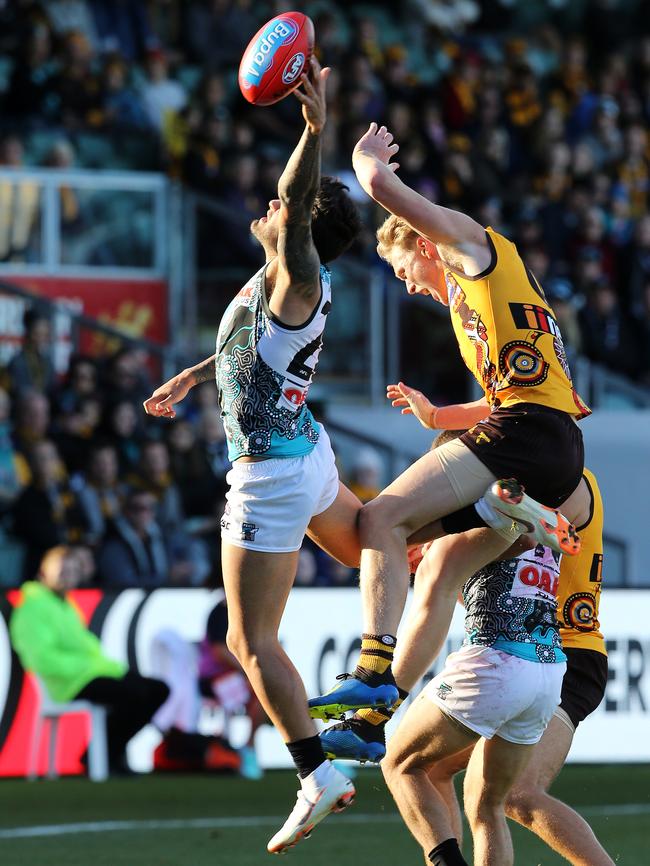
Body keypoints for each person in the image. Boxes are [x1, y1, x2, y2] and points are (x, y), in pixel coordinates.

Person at [143, 57, 363, 853]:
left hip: (270, 475)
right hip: (305, 451)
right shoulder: (278, 276)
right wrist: (196, 373)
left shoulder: (297, 276)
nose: (270, 206)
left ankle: (317, 774)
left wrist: (313, 130)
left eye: (283, 207)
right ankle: (460, 544)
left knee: (249, 642)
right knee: (373, 538)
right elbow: (248, 348)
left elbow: (297, 203)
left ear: (303, 232)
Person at [309, 121, 589, 720]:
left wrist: (366, 163)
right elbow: (508, 395)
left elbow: (383, 188)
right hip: (548, 441)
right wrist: (439, 414)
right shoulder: (481, 305)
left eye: (403, 269)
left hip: (530, 432)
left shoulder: (472, 248)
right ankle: (376, 715)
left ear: (423, 244)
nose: (408, 287)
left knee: (380, 516)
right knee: (410, 547)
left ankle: (374, 672)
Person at [323, 432, 611, 865]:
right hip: (550, 665)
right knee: (484, 800)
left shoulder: (459, 539)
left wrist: (377, 709)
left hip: (509, 660)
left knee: (404, 765)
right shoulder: (540, 504)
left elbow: (428, 620)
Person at [10, 545, 169, 775]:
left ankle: (105, 755)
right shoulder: (33, 606)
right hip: (69, 683)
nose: (67, 575)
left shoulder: (64, 605)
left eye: (73, 571)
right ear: (44, 570)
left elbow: (86, 650)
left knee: (157, 690)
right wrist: (87, 668)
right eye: (62, 569)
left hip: (91, 674)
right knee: (137, 695)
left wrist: (99, 668)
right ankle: (100, 758)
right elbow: (40, 658)